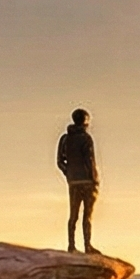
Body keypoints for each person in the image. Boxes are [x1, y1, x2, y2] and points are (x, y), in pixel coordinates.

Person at [57, 108, 98, 253]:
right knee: (86, 215)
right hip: (87, 181)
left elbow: (60, 161)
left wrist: (69, 173)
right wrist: (94, 179)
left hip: (73, 182)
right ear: (85, 121)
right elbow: (90, 160)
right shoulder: (86, 138)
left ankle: (71, 245)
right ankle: (87, 245)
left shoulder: (65, 139)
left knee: (73, 214)